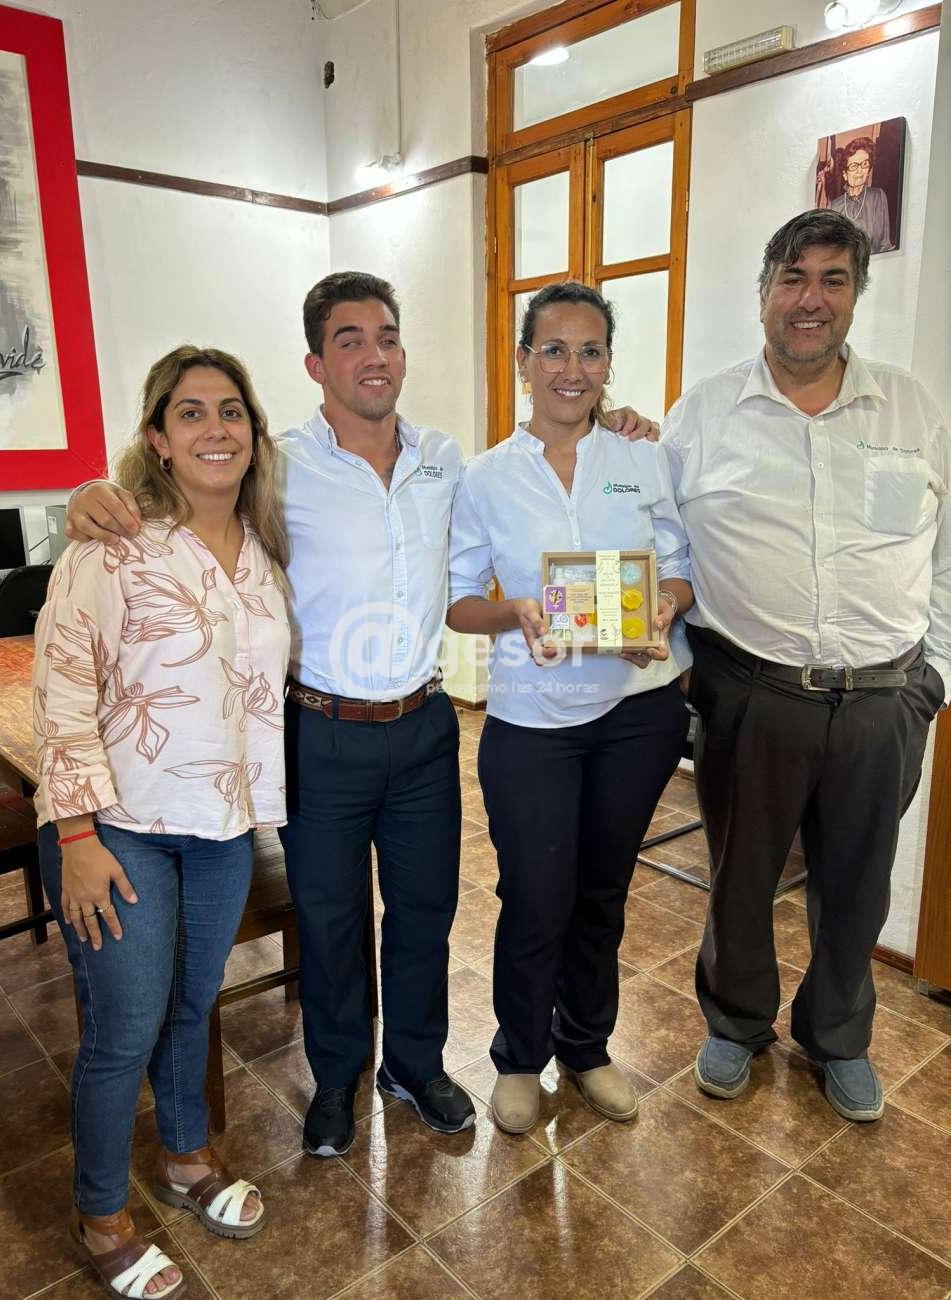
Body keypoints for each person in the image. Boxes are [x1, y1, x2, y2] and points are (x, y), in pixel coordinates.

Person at [64, 273, 657, 1159]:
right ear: (316, 363)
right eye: (349, 340)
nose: (372, 356)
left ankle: (414, 1066)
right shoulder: (275, 465)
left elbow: (539, 467)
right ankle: (337, 1078)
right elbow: (186, 496)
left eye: (386, 337)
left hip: (422, 727)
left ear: (402, 354)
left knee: (424, 913)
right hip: (319, 733)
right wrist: (91, 496)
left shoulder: (446, 461)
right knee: (331, 921)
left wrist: (619, 423)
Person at [661, 209, 949, 1122]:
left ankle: (837, 1038)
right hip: (751, 693)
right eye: (791, 278)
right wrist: (684, 668)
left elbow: (945, 552)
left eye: (831, 279)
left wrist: (933, 677)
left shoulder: (911, 410)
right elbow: (661, 546)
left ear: (856, 295)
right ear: (761, 296)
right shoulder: (703, 414)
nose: (809, 299)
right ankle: (736, 1021)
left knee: (855, 887)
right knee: (740, 879)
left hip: (884, 699)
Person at [35, 346, 290, 1297]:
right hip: (120, 827)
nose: (215, 428)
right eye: (191, 412)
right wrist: (75, 837)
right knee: (125, 1025)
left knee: (194, 1003)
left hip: (222, 827)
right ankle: (101, 1212)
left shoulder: (264, 551)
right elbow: (61, 694)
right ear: (158, 437)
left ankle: (186, 1159)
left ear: (253, 433)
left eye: (232, 410)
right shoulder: (111, 548)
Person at [446, 281, 694, 1134]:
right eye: (553, 349)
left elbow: (678, 567)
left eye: (590, 351)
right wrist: (514, 612)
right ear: (524, 360)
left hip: (638, 714)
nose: (571, 368)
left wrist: (662, 608)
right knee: (534, 896)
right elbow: (458, 604)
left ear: (607, 364)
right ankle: (519, 1057)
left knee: (601, 893)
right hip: (531, 721)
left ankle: (585, 1047)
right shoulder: (485, 477)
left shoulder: (642, 457)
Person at [828, 136, 893, 254]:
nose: (859, 170)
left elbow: (884, 244)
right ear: (845, 174)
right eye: (854, 166)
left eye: (864, 164)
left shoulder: (877, 197)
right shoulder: (834, 207)